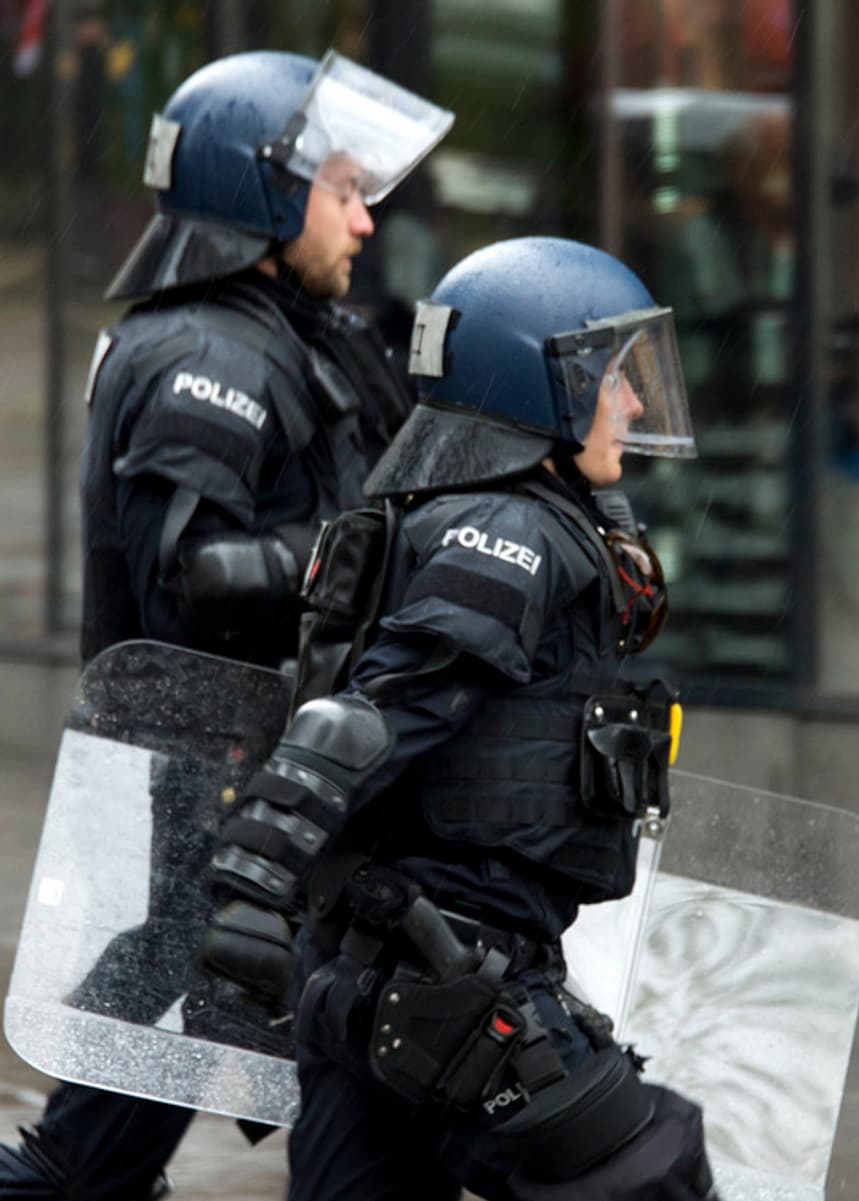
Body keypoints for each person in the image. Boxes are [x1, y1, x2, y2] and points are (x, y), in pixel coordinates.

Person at [0, 48, 452, 1201]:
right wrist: (355, 564)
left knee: (189, 991)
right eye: (341, 190)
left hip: (268, 760)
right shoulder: (209, 351)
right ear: (261, 193)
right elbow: (196, 580)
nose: (361, 220)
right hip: (224, 752)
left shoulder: (288, 334)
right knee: (196, 976)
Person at [203, 236, 717, 1199]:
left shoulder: (468, 510)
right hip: (449, 982)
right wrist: (251, 883)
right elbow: (369, 718)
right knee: (656, 1174)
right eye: (615, 377)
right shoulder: (512, 529)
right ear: (542, 388)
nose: (637, 403)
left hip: (377, 981)